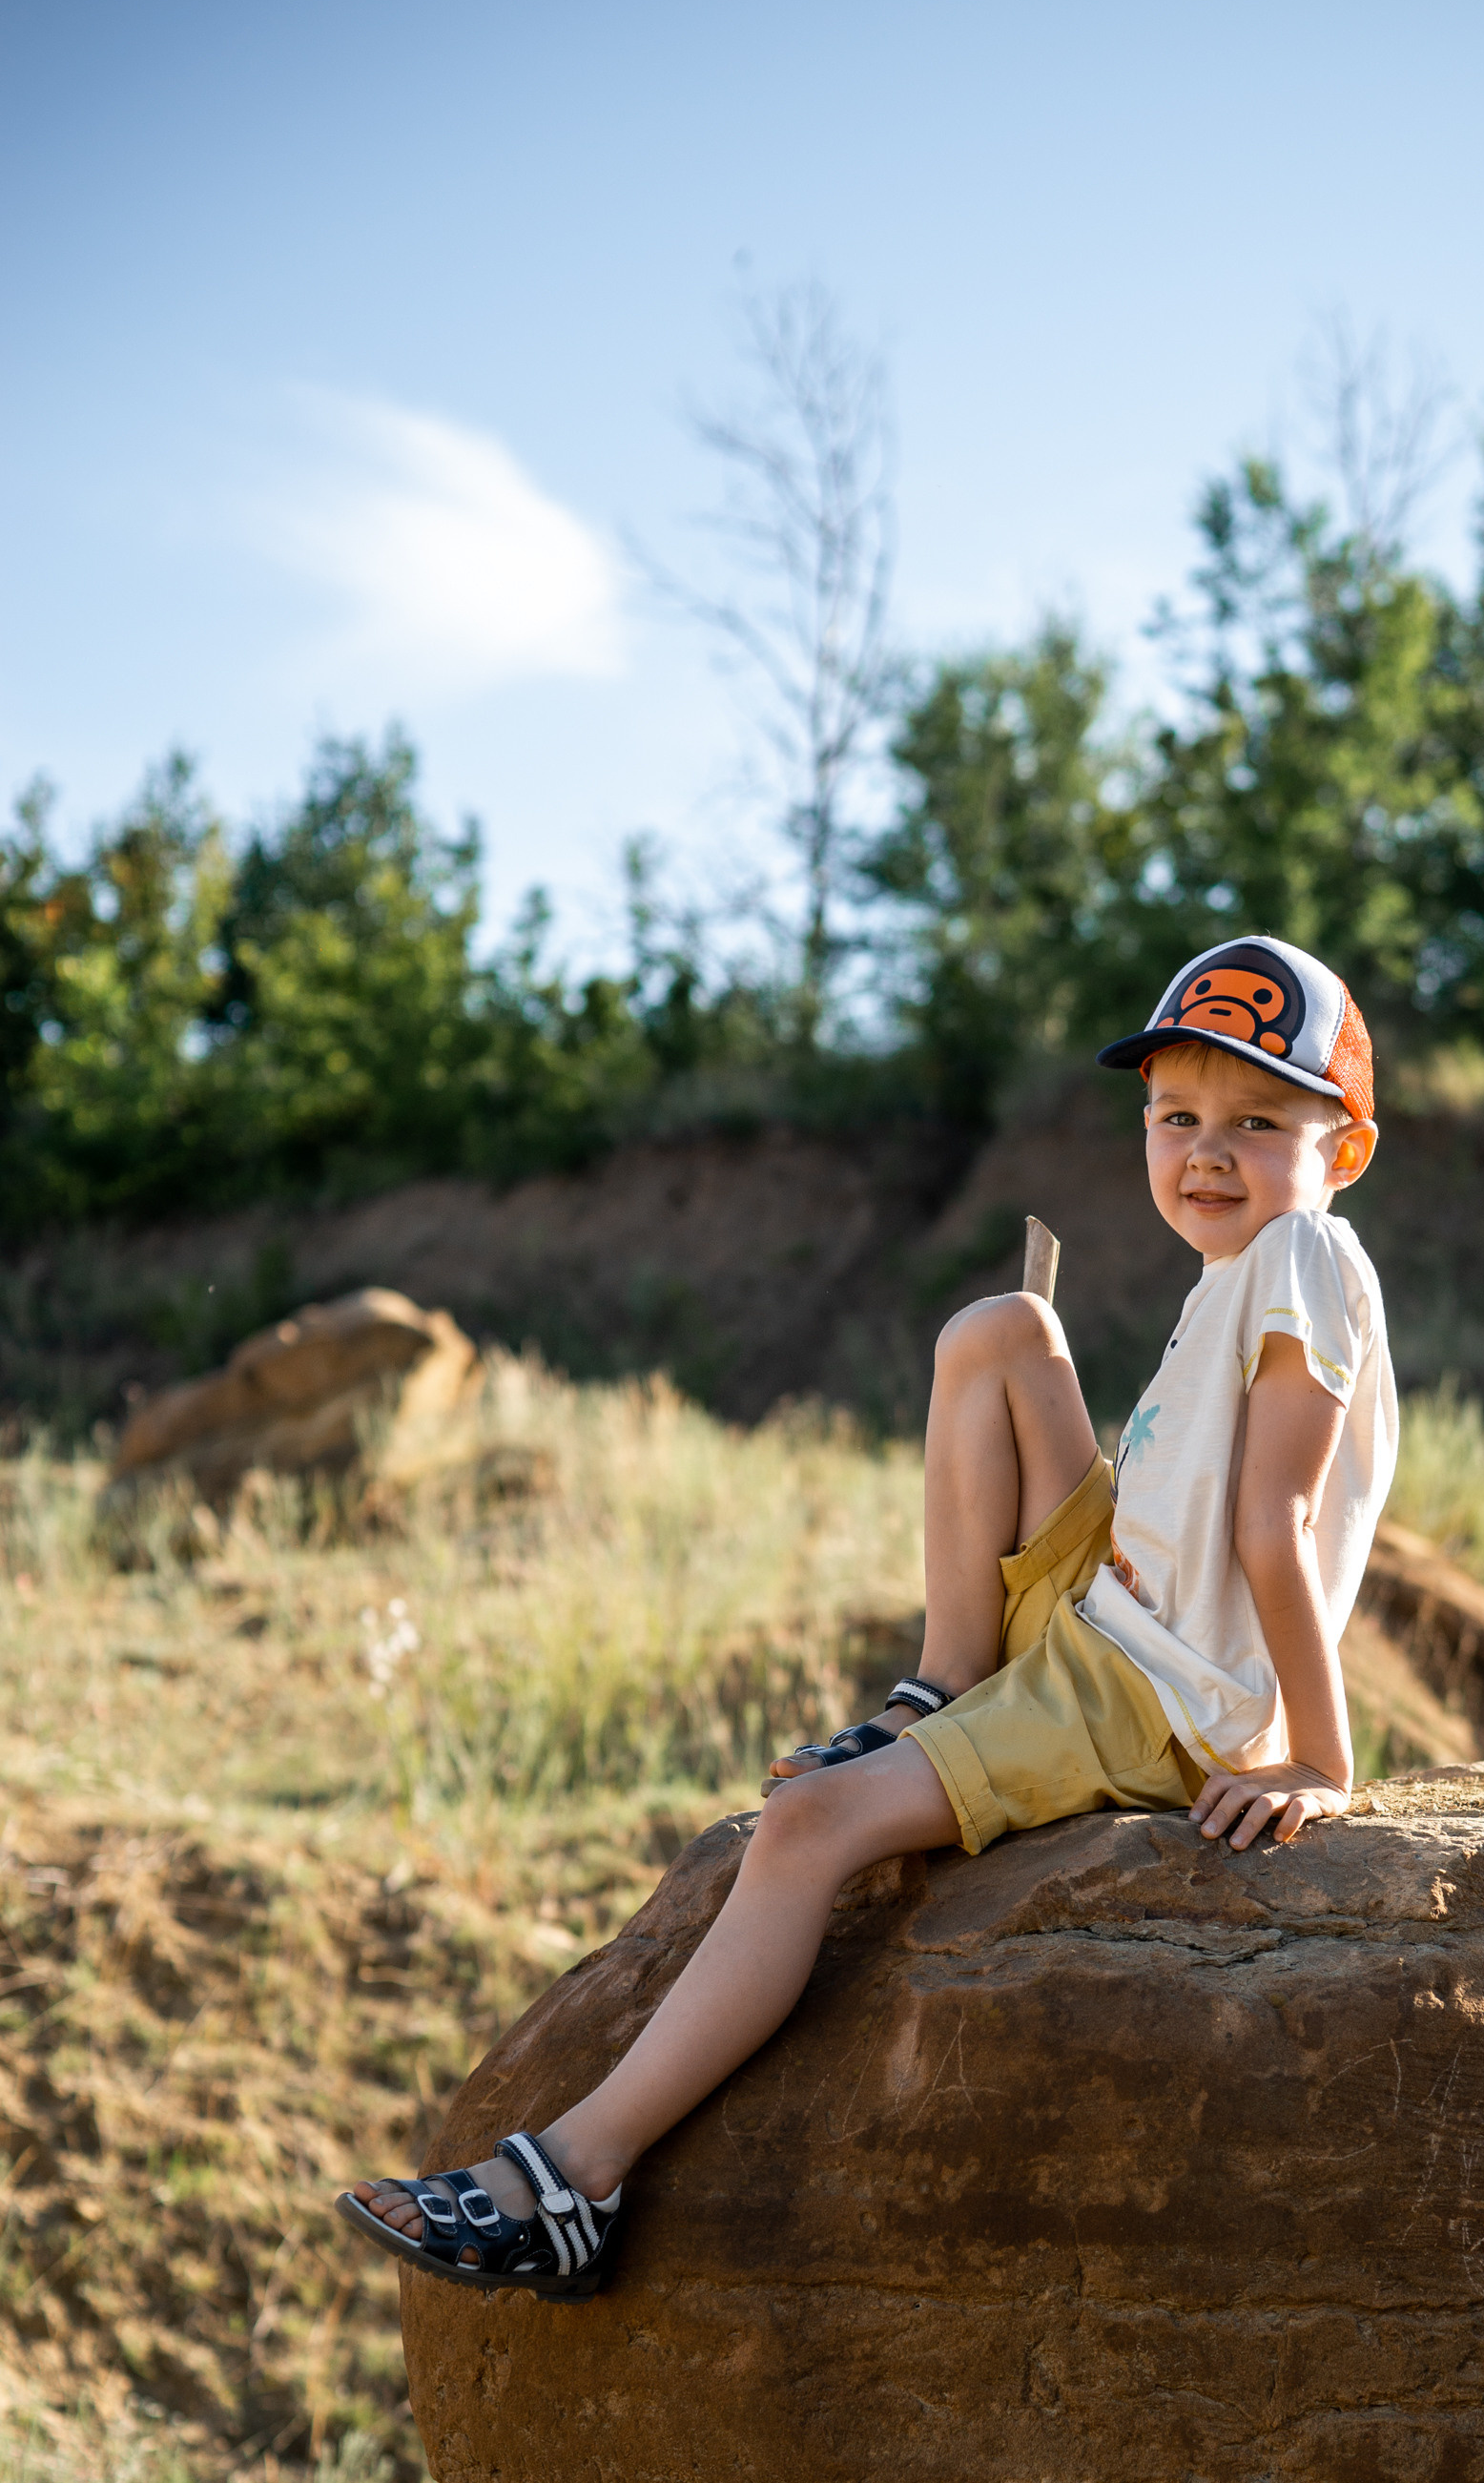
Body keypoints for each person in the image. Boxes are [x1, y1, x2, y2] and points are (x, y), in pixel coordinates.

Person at [337, 933, 1399, 2298]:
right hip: (1104, 1607)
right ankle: (943, 1682)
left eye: (1259, 1121)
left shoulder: (1304, 1250)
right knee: (1006, 1330)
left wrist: (1317, 1756)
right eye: (1177, 1117)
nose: (1207, 1151)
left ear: (1344, 1149)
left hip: (1145, 1691)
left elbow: (1278, 1524)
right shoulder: (1246, 1265)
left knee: (806, 1827)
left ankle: (573, 2179)